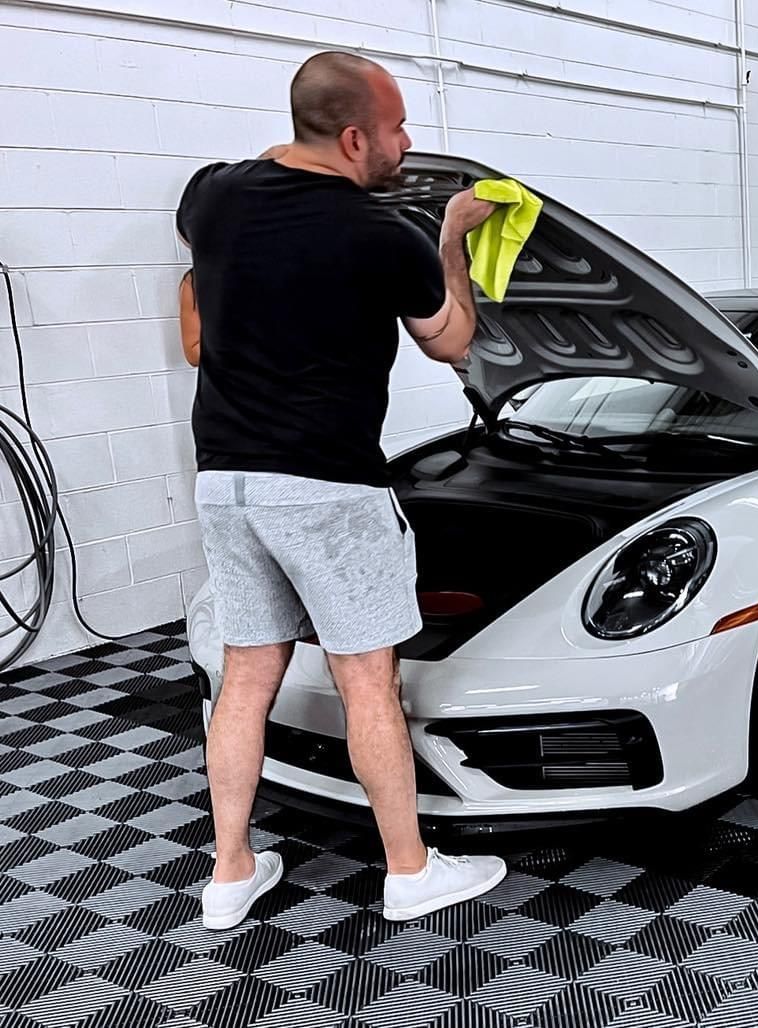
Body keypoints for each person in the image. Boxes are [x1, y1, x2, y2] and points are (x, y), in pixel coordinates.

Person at [176, 50, 507, 930]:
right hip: (327, 486)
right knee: (369, 682)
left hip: (227, 481)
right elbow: (453, 342)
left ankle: (230, 873)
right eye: (398, 127)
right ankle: (409, 872)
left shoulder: (215, 195)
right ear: (356, 135)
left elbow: (204, 245)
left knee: (246, 676)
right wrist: (452, 238)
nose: (406, 143)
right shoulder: (377, 235)